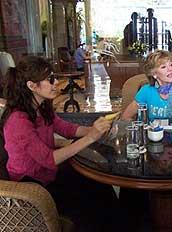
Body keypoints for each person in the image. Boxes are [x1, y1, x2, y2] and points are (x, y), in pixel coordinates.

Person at [0, 56, 123, 231]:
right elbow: (49, 158)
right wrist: (90, 138)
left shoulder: (42, 106)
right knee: (89, 201)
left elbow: (67, 129)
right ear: (31, 86)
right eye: (50, 79)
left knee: (98, 184)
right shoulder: (18, 120)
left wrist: (95, 129)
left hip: (48, 173)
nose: (56, 82)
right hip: (32, 184)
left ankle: (118, 222)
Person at [122, 49, 172, 121]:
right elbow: (125, 117)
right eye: (163, 67)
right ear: (154, 74)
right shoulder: (146, 91)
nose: (170, 69)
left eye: (171, 65)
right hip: (152, 132)